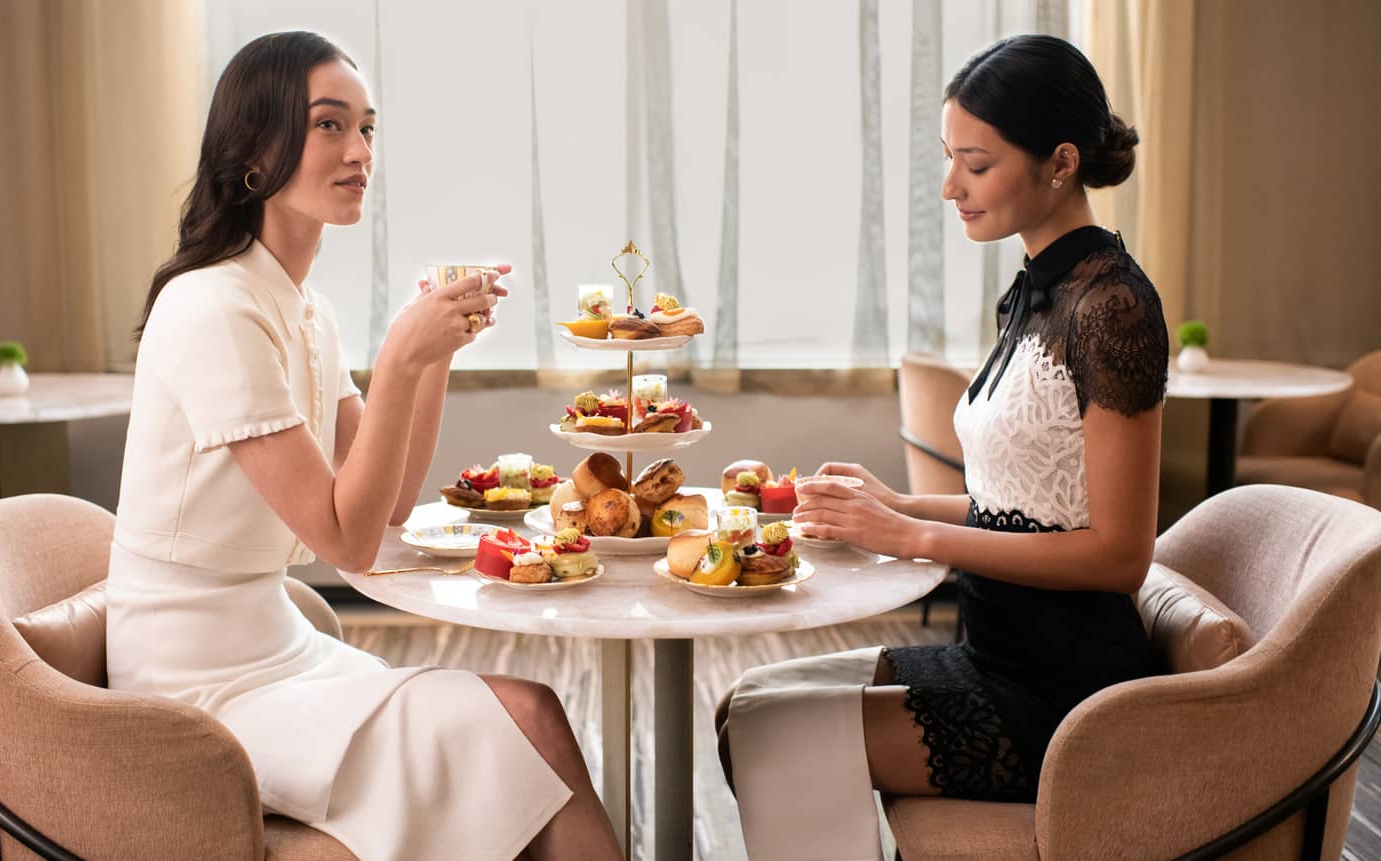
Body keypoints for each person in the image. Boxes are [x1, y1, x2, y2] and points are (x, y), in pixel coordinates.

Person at [105, 31, 620, 861]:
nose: (359, 152)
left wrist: (433, 359)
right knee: (527, 716)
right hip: (197, 682)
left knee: (528, 726)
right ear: (255, 147)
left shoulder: (304, 309)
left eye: (369, 128)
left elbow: (386, 509)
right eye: (329, 126)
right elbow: (340, 537)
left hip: (275, 643)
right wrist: (399, 357)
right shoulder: (212, 308)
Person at [717, 34, 1168, 859]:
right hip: (990, 650)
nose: (949, 186)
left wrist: (910, 535)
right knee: (739, 711)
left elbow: (1119, 554)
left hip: (1063, 694)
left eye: (976, 163)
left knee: (770, 736)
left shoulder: (1114, 308)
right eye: (948, 157)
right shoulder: (1035, 291)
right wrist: (893, 503)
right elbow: (1030, 508)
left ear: (1060, 162)